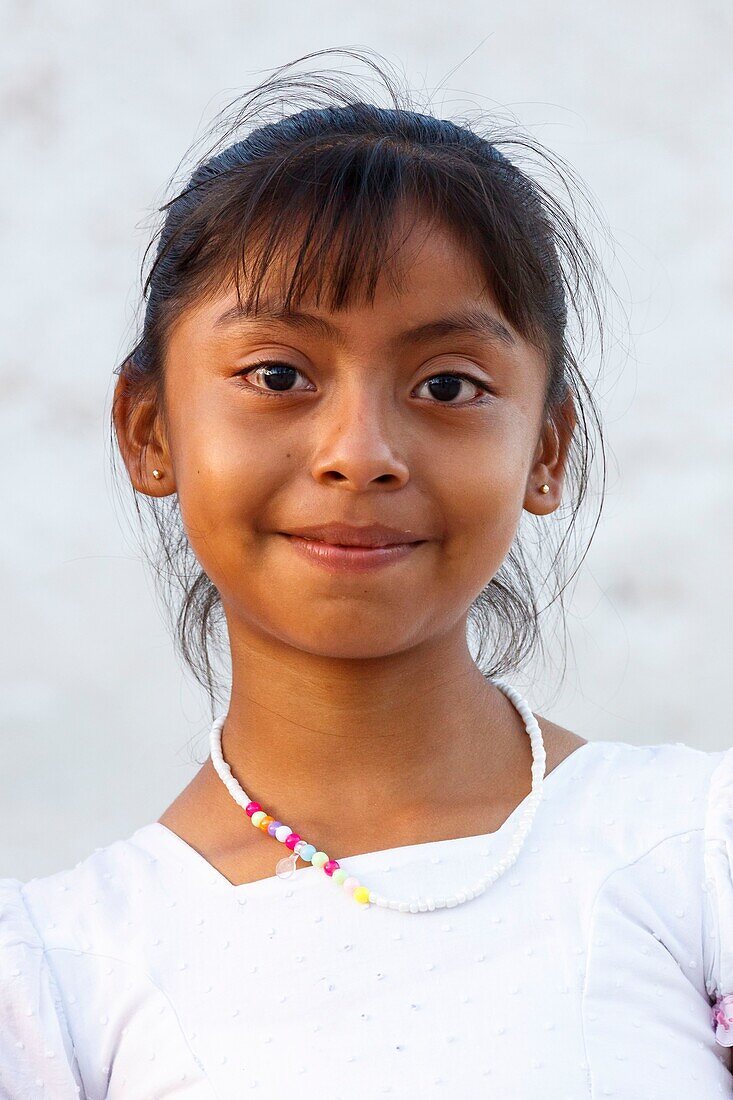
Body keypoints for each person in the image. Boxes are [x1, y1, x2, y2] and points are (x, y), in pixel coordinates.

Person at [1, 49, 731, 1098]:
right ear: (149, 429)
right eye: (277, 375)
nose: (360, 449)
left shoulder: (694, 855)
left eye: (447, 382)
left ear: (547, 449)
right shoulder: (57, 982)